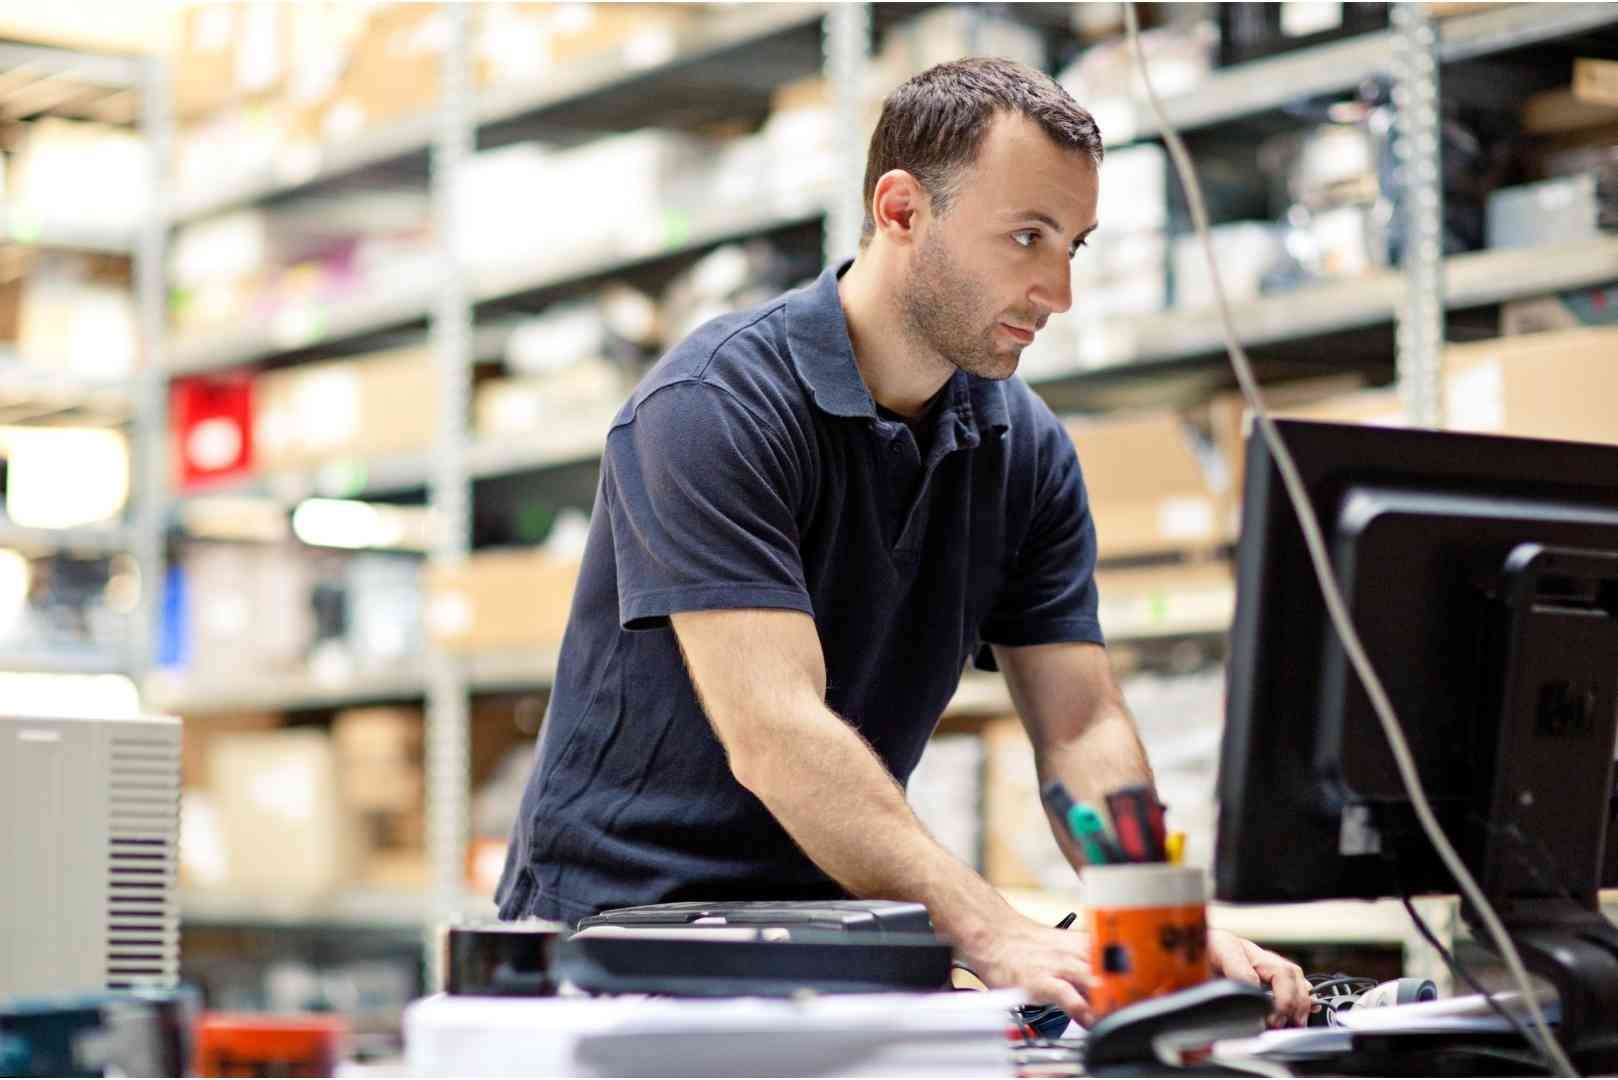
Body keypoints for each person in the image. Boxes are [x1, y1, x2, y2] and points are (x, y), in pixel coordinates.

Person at [497, 56, 1312, 1027]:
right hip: (632, 933)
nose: (1056, 289)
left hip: (845, 924)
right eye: (1025, 237)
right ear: (900, 210)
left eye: (1074, 247)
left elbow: (1080, 722)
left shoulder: (1025, 445)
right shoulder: (713, 405)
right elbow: (775, 733)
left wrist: (1157, 926)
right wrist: (987, 928)